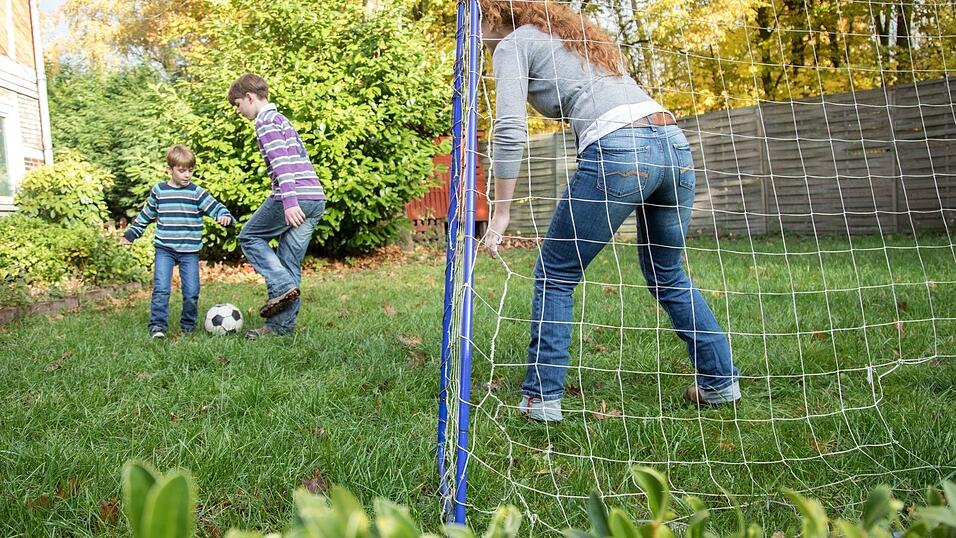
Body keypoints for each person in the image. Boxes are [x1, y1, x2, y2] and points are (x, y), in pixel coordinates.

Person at [478, 0, 740, 422]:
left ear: (491, 15)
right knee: (667, 271)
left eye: (475, 22)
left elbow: (510, 129)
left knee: (556, 273)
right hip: (673, 143)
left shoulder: (512, 45)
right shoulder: (577, 39)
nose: (474, 37)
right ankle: (720, 384)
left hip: (619, 151)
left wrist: (501, 211)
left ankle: (540, 399)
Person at [228, 73, 326, 340]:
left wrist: (290, 202)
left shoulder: (266, 122)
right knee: (288, 260)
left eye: (238, 105)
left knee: (249, 236)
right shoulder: (281, 119)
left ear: (249, 97)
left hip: (295, 195)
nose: (238, 112)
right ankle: (279, 328)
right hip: (315, 197)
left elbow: (283, 163)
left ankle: (282, 285)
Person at [122, 144, 233, 338]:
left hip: (189, 251)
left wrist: (224, 216)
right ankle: (157, 326)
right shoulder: (159, 191)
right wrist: (131, 234)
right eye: (182, 171)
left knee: (191, 292)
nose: (187, 175)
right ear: (170, 170)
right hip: (164, 249)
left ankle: (188, 327)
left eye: (190, 170)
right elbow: (146, 215)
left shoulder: (196, 193)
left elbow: (216, 207)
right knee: (161, 289)